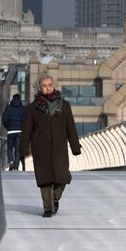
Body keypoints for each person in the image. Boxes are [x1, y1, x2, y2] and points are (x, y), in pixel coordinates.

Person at [20, 76, 82, 217]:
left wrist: (75, 147)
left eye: (49, 85)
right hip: (41, 148)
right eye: (44, 85)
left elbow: (70, 127)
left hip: (59, 147)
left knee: (63, 176)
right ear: (39, 88)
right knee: (45, 179)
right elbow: (27, 130)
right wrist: (24, 149)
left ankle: (55, 198)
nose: (47, 87)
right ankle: (48, 208)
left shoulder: (64, 106)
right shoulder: (32, 108)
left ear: (53, 86)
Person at [1, 92, 26, 171]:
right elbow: (26, 120)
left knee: (9, 148)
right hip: (19, 131)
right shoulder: (23, 108)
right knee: (18, 149)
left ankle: (11, 162)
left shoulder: (8, 107)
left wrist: (8, 127)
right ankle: (16, 165)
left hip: (10, 131)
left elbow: (4, 119)